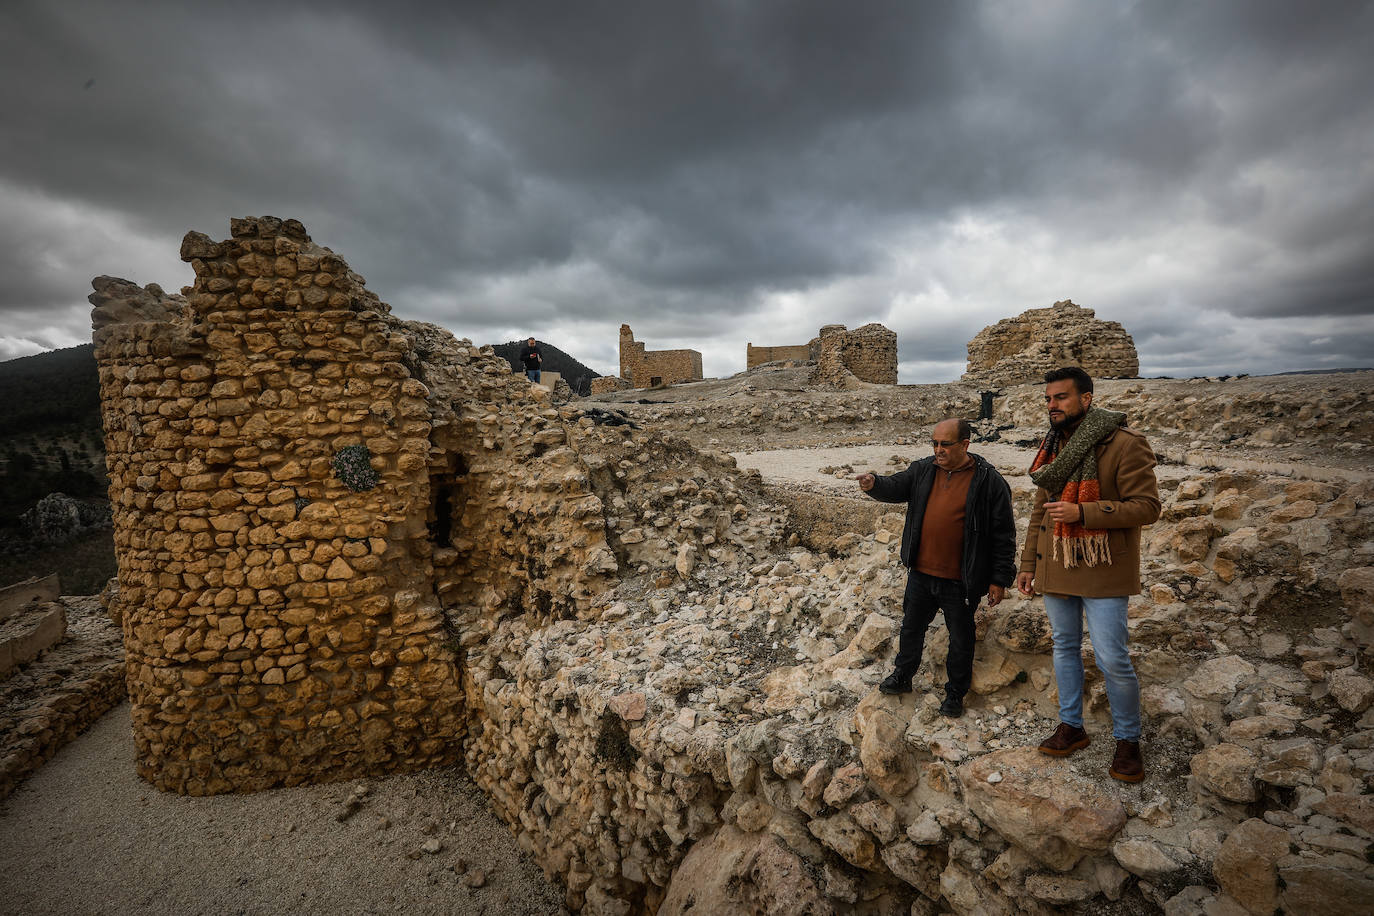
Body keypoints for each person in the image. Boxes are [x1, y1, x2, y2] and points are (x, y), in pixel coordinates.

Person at [1015, 366, 1160, 783]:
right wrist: (1028, 565)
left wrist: (1084, 512)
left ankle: (1128, 741)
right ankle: (1071, 726)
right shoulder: (1052, 445)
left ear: (1087, 398)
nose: (1052, 405)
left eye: (1060, 397)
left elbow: (1148, 507)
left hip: (1103, 565)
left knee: (1112, 657)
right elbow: (1041, 511)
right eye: (1048, 398)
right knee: (1064, 646)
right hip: (1057, 561)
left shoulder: (1125, 443)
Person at [857, 418, 1017, 717]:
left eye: (945, 444)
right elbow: (896, 486)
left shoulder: (989, 481)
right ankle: (903, 676)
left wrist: (999, 579)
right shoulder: (923, 470)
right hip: (920, 572)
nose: (938, 450)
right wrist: (874, 484)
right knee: (911, 628)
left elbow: (1003, 534)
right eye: (934, 443)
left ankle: (955, 694)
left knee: (961, 639)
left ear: (965, 444)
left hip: (961, 580)